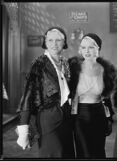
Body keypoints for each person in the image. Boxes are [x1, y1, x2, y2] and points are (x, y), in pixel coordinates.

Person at [16, 26, 75, 158]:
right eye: (50, 40)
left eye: (58, 40)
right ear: (45, 42)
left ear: (64, 42)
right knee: (52, 154)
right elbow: (28, 95)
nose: (54, 44)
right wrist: (24, 128)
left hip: (66, 118)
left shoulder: (65, 62)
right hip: (48, 120)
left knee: (67, 154)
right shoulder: (39, 64)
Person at [68, 33, 117, 158]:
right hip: (80, 115)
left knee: (98, 151)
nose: (87, 51)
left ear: (98, 49)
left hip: (99, 114)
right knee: (84, 152)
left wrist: (109, 118)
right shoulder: (73, 68)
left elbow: (106, 99)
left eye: (91, 47)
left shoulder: (105, 70)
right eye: (83, 47)